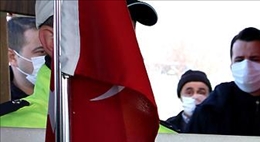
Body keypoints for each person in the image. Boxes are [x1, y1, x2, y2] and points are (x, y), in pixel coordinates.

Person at [0, 0, 159, 124]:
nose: (122, 45)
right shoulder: (8, 129)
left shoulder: (158, 135)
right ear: (52, 41)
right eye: (104, 28)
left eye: (127, 32)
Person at [186, 27, 260, 142]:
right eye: (239, 60)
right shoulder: (214, 106)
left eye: (254, 59)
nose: (246, 66)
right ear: (232, 66)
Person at [6, 16, 45, 100]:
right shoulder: (4, 100)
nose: (51, 58)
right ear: (12, 57)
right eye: (41, 52)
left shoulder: (67, 91)